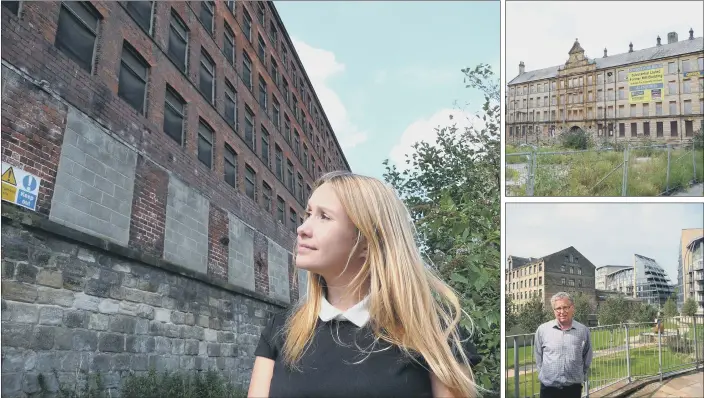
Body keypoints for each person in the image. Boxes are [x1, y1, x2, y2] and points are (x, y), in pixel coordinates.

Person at [248, 171, 483, 398]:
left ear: (367, 243)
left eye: (324, 216)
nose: (302, 229)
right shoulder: (281, 329)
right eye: (308, 214)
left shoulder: (434, 331)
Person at [534, 292, 592, 398]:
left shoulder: (583, 331)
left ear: (572, 308)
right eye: (558, 308)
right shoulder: (543, 330)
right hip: (548, 388)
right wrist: (543, 375)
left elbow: (587, 357)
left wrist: (580, 375)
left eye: (565, 307)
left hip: (573, 388)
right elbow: (538, 356)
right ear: (554, 311)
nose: (562, 312)